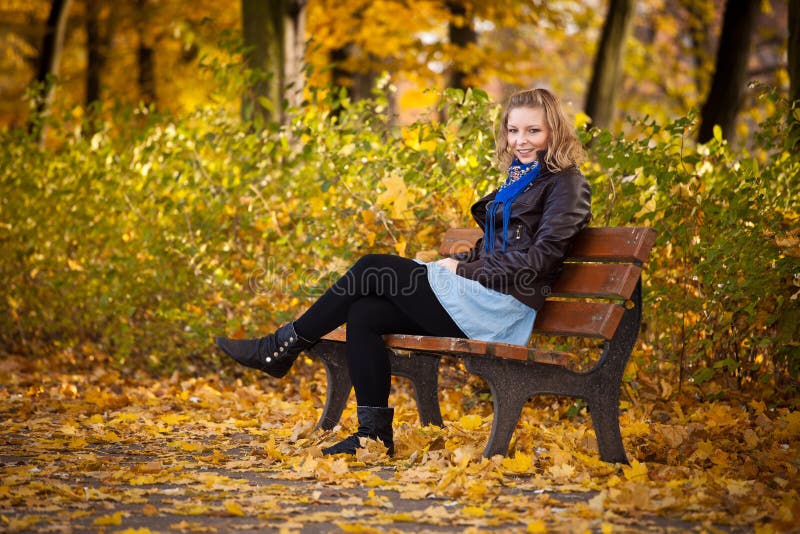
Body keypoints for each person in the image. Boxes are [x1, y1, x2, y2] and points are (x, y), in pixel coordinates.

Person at [216, 87, 591, 457]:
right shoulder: (520, 179)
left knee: (372, 267)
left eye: (532, 131)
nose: (520, 141)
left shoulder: (567, 184)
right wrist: (464, 264)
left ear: (554, 131)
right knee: (365, 312)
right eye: (513, 130)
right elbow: (497, 245)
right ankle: (373, 436)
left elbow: (539, 261)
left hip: (503, 306)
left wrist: (462, 269)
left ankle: (280, 348)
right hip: (481, 294)